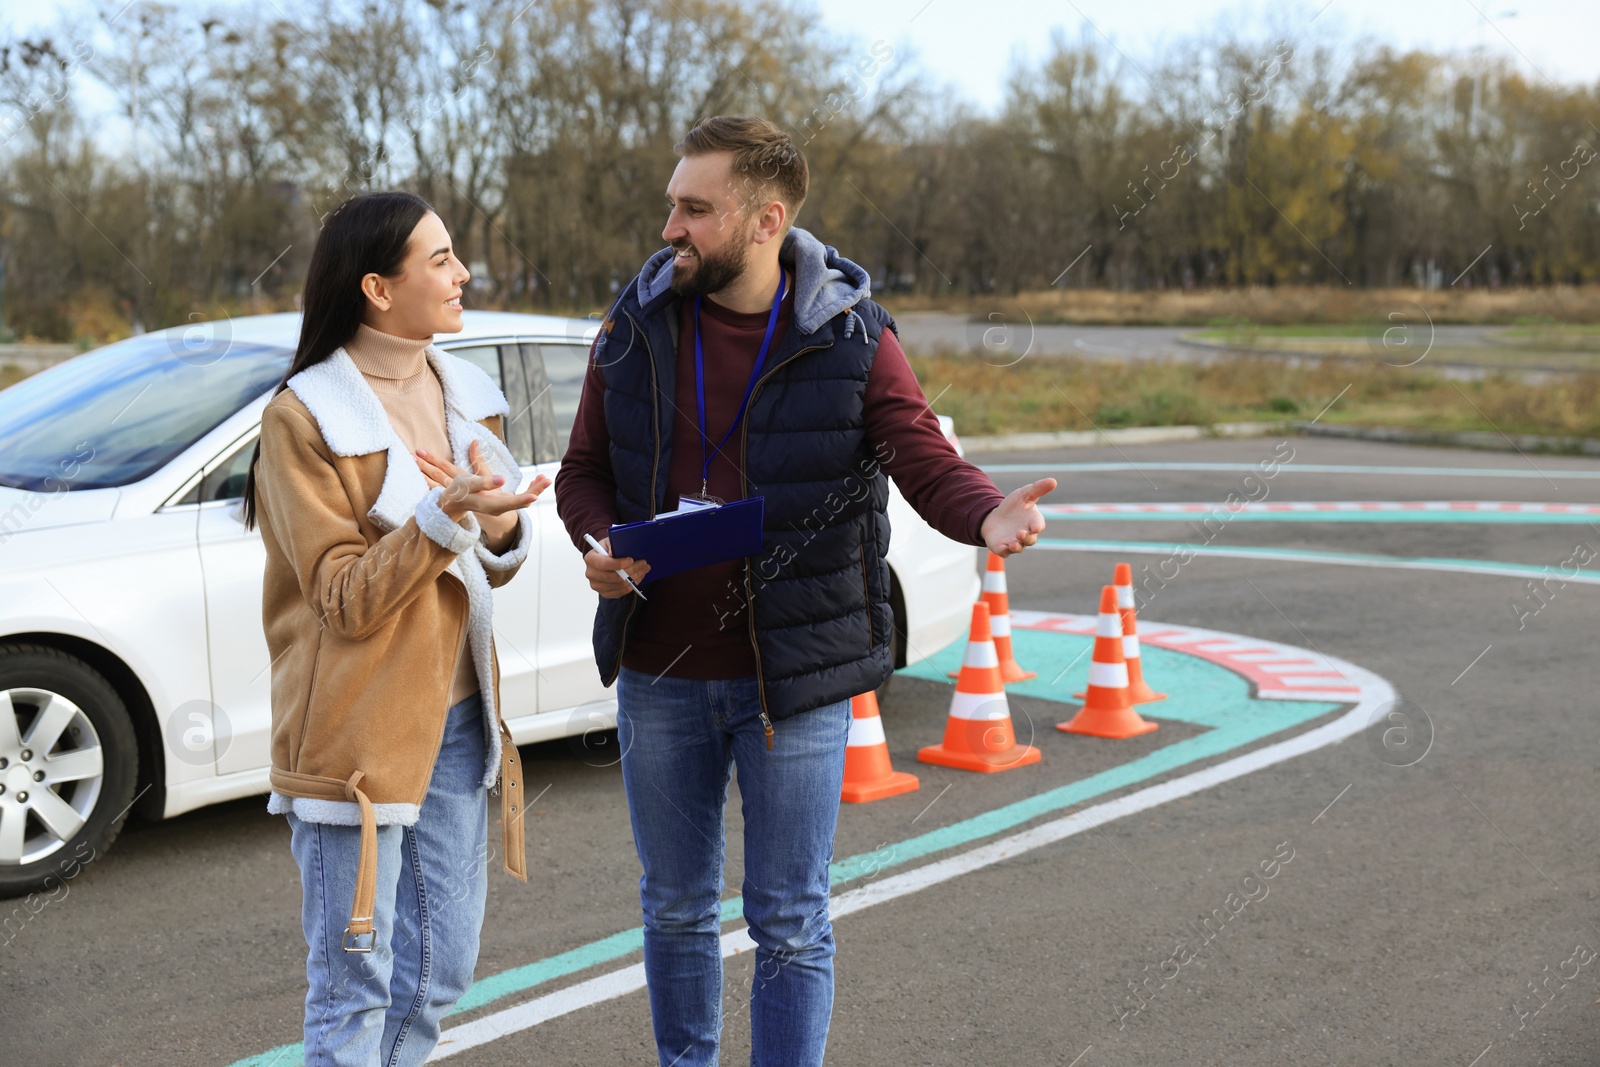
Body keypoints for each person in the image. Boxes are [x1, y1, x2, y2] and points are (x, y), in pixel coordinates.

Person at [555, 116, 1056, 1067]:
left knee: (788, 918)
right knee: (673, 909)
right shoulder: (633, 323)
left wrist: (986, 513)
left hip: (797, 683)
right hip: (660, 669)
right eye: (671, 204)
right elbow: (584, 468)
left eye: (695, 209)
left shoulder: (851, 333)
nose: (671, 227)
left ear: (765, 218)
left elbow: (920, 450)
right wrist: (599, 542)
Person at [240, 191, 547, 1065]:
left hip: (457, 721)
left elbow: (493, 557)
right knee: (353, 986)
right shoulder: (304, 416)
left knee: (439, 973)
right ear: (378, 287)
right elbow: (341, 598)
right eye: (441, 259)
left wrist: (498, 527)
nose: (462, 274)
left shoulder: (466, 393)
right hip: (353, 740)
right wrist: (443, 519)